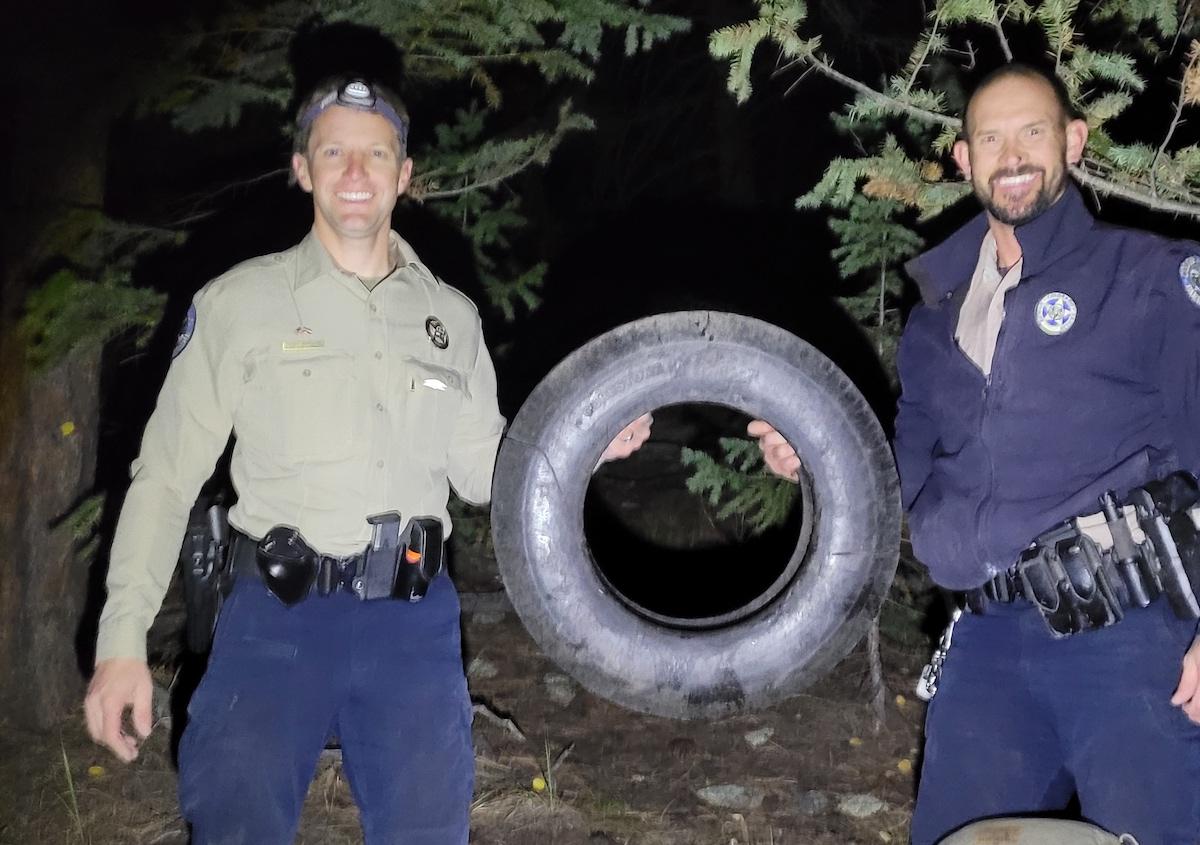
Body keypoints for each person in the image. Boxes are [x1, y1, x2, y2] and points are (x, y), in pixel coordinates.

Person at [82, 76, 650, 844]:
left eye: (375, 154)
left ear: (404, 174)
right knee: (233, 823)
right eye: (335, 153)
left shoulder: (451, 316)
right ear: (302, 169)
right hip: (273, 620)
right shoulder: (239, 303)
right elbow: (166, 475)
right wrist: (121, 642)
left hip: (410, 626)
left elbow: (487, 471)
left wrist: (587, 439)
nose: (356, 173)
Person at [752, 63, 1200, 843]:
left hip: (1129, 640)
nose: (1013, 153)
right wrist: (813, 452)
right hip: (988, 640)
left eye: (1033, 131)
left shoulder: (1149, 277)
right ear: (964, 160)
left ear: (1074, 142)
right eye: (990, 137)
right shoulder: (936, 323)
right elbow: (899, 477)